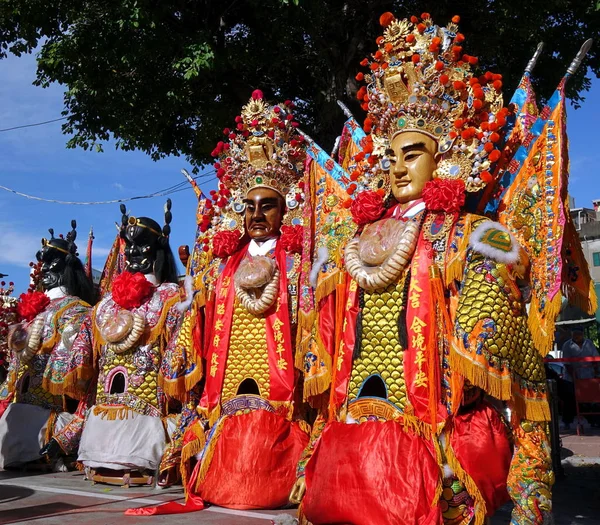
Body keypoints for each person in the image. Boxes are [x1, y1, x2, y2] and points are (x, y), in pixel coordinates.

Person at [291, 13, 553, 525]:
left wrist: (478, 293)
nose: (396, 167)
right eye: (390, 156)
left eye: (413, 154)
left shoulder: (470, 231)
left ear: (446, 157)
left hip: (437, 418)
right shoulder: (362, 237)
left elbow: (503, 315)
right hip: (360, 413)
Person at [172, 91, 313, 510]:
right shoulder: (222, 267)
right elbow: (195, 318)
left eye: (267, 205)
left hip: (284, 391)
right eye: (248, 206)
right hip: (226, 384)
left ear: (285, 210)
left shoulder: (300, 265)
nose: (255, 214)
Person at [48, 203, 197, 486]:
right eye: (128, 245)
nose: (133, 252)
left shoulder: (171, 300)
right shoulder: (103, 308)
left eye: (143, 245)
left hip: (152, 413)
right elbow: (91, 382)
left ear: (159, 248)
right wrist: (66, 437)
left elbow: (184, 374)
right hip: (101, 426)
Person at [0, 222, 94, 469]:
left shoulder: (76, 310)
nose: (45, 270)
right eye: (44, 263)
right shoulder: (31, 314)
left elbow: (75, 373)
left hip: (52, 409)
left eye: (54, 263)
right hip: (20, 404)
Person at [561, 328, 599, 427]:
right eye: (575, 334)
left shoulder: (589, 343)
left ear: (582, 334)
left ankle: (594, 421)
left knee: (591, 399)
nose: (577, 336)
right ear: (572, 334)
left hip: (588, 377)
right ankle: (567, 422)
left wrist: (596, 371)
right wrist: (575, 377)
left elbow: (595, 358)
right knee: (570, 400)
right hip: (571, 378)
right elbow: (567, 364)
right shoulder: (567, 345)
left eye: (579, 334)